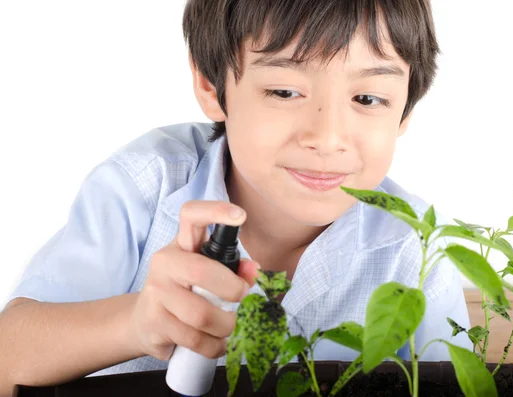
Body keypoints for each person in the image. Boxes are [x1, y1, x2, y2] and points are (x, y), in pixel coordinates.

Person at [0, 0, 471, 394]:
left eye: (368, 99)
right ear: (211, 85)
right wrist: (137, 322)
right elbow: (8, 355)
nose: (328, 138)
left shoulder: (418, 248)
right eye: (285, 91)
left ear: (405, 108)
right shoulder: (145, 186)